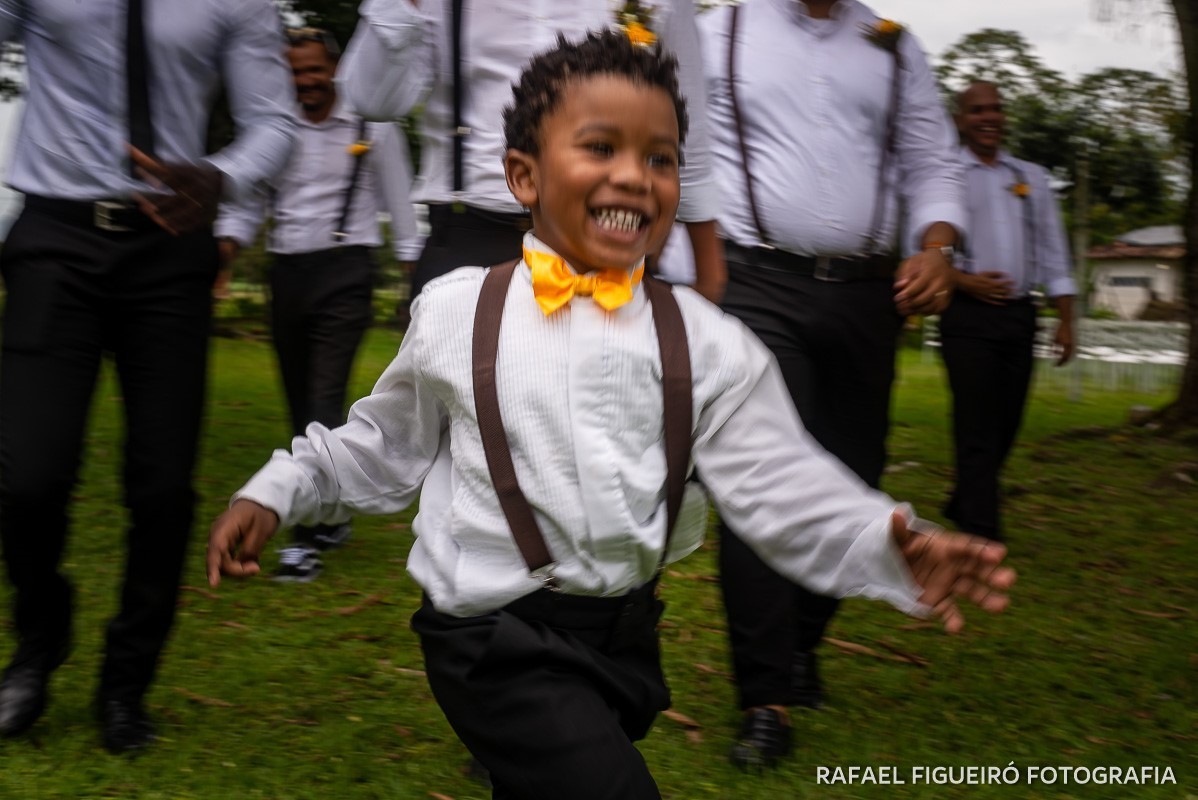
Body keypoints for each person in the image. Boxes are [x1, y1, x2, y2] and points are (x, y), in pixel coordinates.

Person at [207, 31, 1014, 800]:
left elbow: (782, 484)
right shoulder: (458, 313)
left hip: (623, 637)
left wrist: (886, 538)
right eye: (601, 148)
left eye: (659, 158)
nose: (635, 176)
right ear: (524, 176)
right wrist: (281, 488)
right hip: (491, 639)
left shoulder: (708, 342)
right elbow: (380, 446)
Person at [0, 0, 295, 753]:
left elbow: (275, 123)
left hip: (169, 246)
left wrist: (220, 177)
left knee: (162, 487)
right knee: (26, 476)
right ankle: (39, 640)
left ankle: (126, 685)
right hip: (55, 240)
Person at [697, 0, 967, 768]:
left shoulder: (892, 46)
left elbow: (930, 159)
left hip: (867, 295)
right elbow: (683, 157)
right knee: (759, 481)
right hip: (757, 285)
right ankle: (764, 699)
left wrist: (939, 245)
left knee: (854, 476)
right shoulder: (723, 32)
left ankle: (802, 645)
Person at [335, 0, 728, 307]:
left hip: (607, 247)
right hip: (469, 240)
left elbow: (685, 129)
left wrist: (708, 274)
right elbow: (373, 101)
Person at [215, 27, 423, 582]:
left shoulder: (370, 122)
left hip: (346, 272)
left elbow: (402, 207)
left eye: (313, 71)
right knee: (297, 399)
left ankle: (310, 535)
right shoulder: (273, 127)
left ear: (332, 69)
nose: (305, 82)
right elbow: (252, 199)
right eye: (295, 73)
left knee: (324, 397)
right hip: (287, 274)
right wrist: (227, 249)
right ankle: (330, 509)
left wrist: (412, 283)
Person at [941, 81, 1077, 540]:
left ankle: (966, 498)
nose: (988, 117)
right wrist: (963, 279)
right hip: (966, 316)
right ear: (960, 119)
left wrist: (1067, 318)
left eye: (996, 109)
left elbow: (1052, 249)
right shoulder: (944, 175)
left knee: (1007, 423)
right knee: (976, 422)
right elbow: (920, 248)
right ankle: (982, 533)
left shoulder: (1030, 177)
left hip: (1020, 315)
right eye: (977, 110)